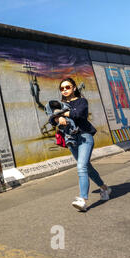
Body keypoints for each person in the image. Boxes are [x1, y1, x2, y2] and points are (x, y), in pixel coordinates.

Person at [49, 77, 111, 211]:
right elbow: (51, 119)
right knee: (87, 167)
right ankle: (105, 188)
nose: (65, 90)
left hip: (84, 137)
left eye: (68, 87)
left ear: (74, 88)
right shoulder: (60, 104)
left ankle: (83, 199)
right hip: (70, 139)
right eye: (62, 88)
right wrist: (57, 117)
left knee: (81, 166)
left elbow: (79, 114)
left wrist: (62, 114)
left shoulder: (81, 101)